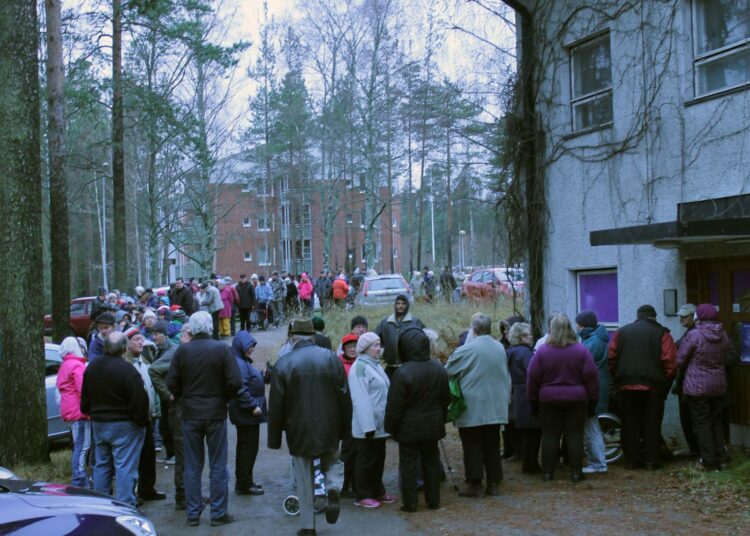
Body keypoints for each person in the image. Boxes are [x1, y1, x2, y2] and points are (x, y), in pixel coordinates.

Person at [268, 319, 349, 535]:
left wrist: (274, 438)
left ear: (293, 336)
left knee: (304, 476)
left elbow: (276, 405)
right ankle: (332, 488)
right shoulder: (331, 358)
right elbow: (344, 394)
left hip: (298, 427)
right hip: (329, 423)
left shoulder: (284, 363)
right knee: (332, 459)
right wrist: (346, 427)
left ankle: (307, 526)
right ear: (313, 335)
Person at [167, 311, 242, 527]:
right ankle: (218, 512)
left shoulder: (182, 352)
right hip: (215, 412)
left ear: (191, 327)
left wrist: (185, 396)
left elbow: (172, 382)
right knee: (218, 465)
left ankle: (193, 513)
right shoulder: (221, 349)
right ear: (210, 326)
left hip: (190, 412)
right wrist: (223, 398)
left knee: (192, 464)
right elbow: (235, 382)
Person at [527, 314, 599, 483]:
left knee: (550, 435)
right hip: (576, 399)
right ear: (569, 328)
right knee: (574, 435)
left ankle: (547, 472)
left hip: (548, 399)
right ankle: (575, 472)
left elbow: (533, 377)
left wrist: (533, 401)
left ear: (551, 329)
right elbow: (592, 376)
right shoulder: (581, 351)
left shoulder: (542, 351)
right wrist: (593, 401)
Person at [445, 313, 511, 497]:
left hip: (472, 406)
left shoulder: (467, 349)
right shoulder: (499, 347)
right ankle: (494, 483)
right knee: (492, 445)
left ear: (473, 329)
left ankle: (475, 484)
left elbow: (448, 369)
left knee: (472, 445)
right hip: (495, 405)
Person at [385, 327, 450, 513]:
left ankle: (410, 503)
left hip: (408, 427)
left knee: (408, 464)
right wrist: (440, 417)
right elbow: (446, 398)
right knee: (430, 462)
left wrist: (391, 427)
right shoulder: (438, 369)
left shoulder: (403, 372)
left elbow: (395, 405)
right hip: (432, 423)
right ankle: (434, 500)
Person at [81, 332, 149, 506]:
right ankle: (125, 506)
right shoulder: (127, 370)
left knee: (102, 465)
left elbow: (84, 399)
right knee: (125, 467)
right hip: (124, 425)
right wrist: (140, 421)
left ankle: (102, 504)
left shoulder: (92, 367)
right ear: (124, 348)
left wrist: (92, 413)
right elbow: (139, 400)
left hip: (99, 424)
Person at [608, 305, 677, 470]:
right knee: (651, 424)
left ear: (637, 316)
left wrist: (617, 378)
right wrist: (664, 382)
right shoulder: (662, 333)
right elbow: (670, 362)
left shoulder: (621, 332)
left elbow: (611, 357)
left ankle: (633, 460)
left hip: (625, 386)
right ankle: (652, 461)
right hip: (653, 388)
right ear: (654, 317)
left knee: (629, 424)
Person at [676, 303, 731, 471]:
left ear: (698, 317)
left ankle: (709, 462)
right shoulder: (723, 335)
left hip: (697, 387)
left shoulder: (694, 335)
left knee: (702, 424)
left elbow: (680, 358)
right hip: (718, 385)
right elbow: (726, 356)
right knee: (716, 422)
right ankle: (722, 459)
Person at [349, 332, 395, 509]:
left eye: (379, 345)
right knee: (365, 461)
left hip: (379, 424)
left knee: (378, 459)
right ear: (365, 348)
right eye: (375, 345)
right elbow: (360, 399)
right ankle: (362, 494)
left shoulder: (374, 365)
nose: (379, 349)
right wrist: (368, 426)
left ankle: (377, 490)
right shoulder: (359, 368)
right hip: (367, 426)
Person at [123, 328, 167, 502]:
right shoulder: (125, 365)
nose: (140, 342)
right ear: (126, 344)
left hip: (147, 417)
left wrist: (155, 411)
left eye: (141, 339)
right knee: (133, 458)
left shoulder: (145, 361)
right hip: (132, 419)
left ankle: (147, 489)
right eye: (136, 340)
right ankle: (131, 494)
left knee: (148, 456)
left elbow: (151, 389)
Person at [148, 322, 184, 508]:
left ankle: (172, 454)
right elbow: (154, 370)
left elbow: (154, 371)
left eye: (157, 334)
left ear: (165, 335)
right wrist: (166, 394)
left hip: (170, 402)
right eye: (153, 334)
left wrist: (166, 393)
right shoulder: (161, 350)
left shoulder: (171, 350)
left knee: (171, 432)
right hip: (167, 402)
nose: (154, 337)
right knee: (167, 429)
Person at [228, 331, 266, 495]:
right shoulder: (239, 363)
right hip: (247, 414)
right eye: (249, 346)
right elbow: (240, 389)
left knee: (246, 448)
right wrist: (253, 406)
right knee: (248, 449)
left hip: (246, 414)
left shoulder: (241, 361)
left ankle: (245, 481)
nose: (251, 349)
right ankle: (244, 483)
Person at [575, 310, 610, 474]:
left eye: (578, 324)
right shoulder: (595, 339)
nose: (576, 327)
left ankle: (598, 463)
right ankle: (597, 462)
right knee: (592, 426)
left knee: (591, 427)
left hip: (592, 389)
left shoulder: (592, 343)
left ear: (583, 325)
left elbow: (580, 366)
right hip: (598, 387)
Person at [505, 322, 541, 474]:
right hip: (526, 392)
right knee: (532, 431)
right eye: (527, 334)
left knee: (523, 430)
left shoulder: (509, 351)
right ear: (520, 337)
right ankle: (530, 464)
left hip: (515, 392)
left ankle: (527, 461)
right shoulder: (525, 353)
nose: (531, 336)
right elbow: (533, 373)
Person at [57, 337, 91, 488]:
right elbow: (83, 390)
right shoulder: (77, 365)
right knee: (83, 446)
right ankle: (79, 480)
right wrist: (89, 410)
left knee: (79, 445)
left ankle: (79, 478)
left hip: (70, 410)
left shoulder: (65, 365)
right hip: (79, 411)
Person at [375, 295, 424, 380]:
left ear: (407, 305)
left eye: (403, 303)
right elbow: (375, 339)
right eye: (398, 303)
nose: (400, 306)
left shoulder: (414, 321)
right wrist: (383, 352)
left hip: (409, 366)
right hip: (391, 366)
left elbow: (424, 340)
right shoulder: (386, 322)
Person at [672, 303, 700, 455]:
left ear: (694, 316)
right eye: (680, 316)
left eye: (685, 316)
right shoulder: (689, 332)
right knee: (688, 418)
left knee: (691, 418)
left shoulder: (694, 334)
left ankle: (697, 450)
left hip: (692, 383)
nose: (681, 319)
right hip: (689, 381)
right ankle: (695, 449)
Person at [338, 333, 359, 496]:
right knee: (348, 448)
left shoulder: (362, 362)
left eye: (354, 345)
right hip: (346, 412)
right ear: (344, 348)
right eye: (349, 346)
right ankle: (345, 482)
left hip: (361, 411)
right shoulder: (338, 364)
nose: (352, 349)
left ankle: (357, 480)